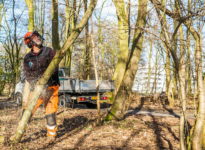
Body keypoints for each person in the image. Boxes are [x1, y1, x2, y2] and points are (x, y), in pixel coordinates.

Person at [22, 31, 60, 142]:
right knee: (28, 109)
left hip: (51, 87)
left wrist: (47, 81)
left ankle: (51, 136)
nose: (38, 38)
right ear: (29, 43)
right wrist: (34, 83)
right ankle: (21, 132)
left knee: (50, 110)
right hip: (37, 89)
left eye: (37, 36)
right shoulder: (27, 58)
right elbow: (26, 73)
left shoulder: (49, 51)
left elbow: (55, 67)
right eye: (34, 37)